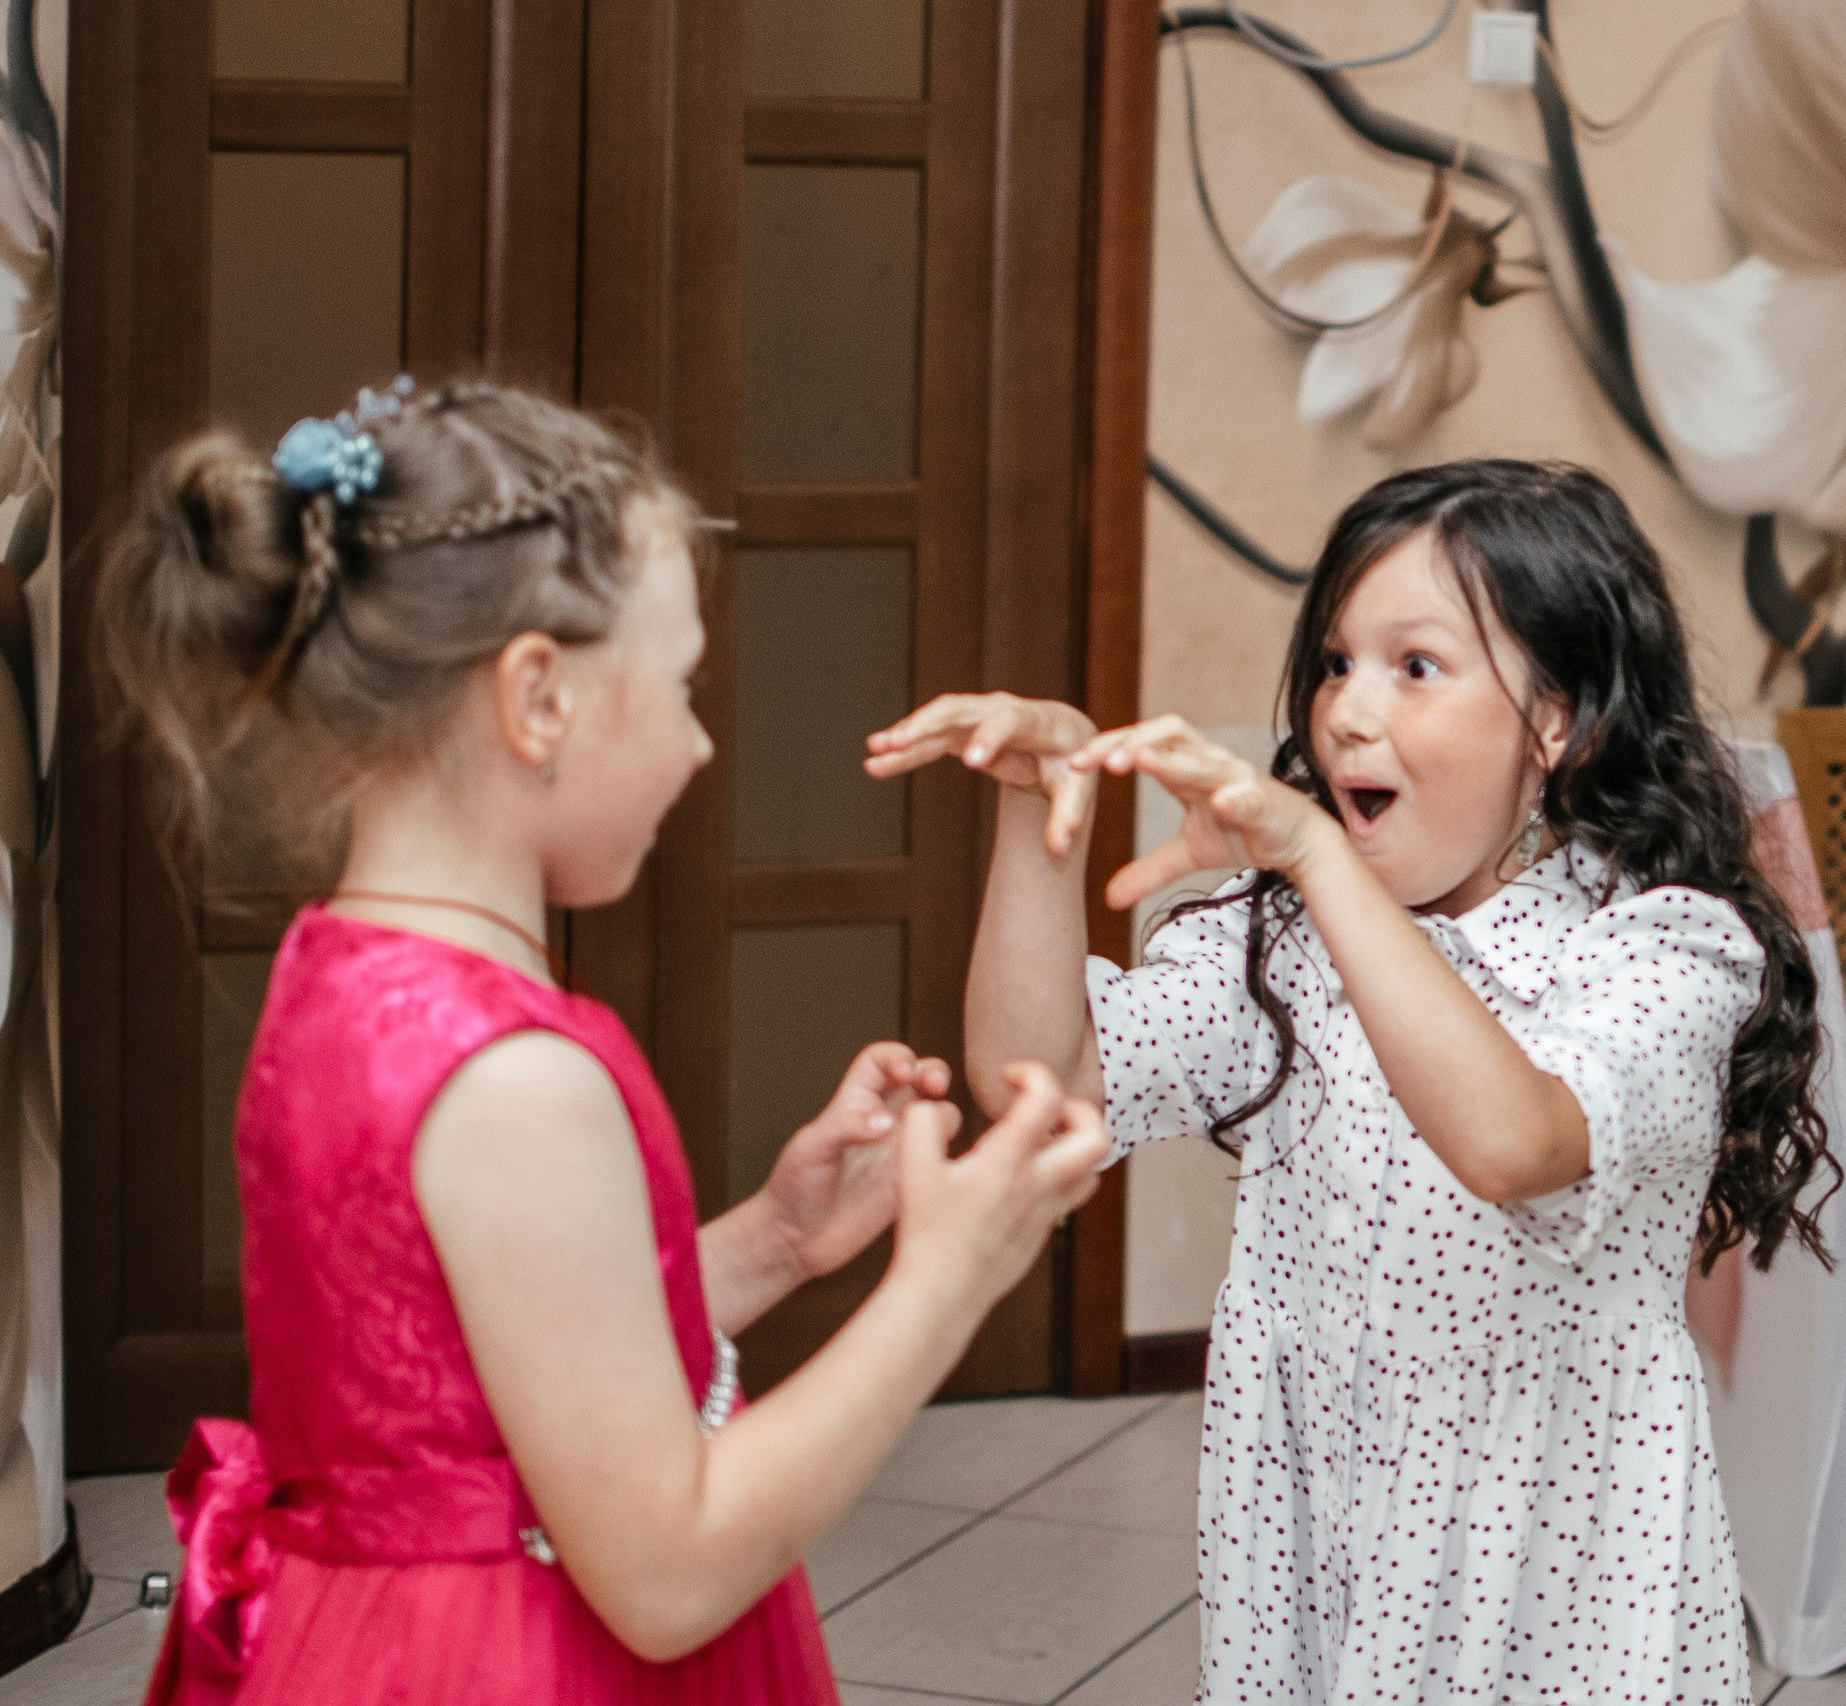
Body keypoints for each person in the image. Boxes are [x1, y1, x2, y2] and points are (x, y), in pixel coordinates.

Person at [98, 381, 1108, 1705]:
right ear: (538, 697)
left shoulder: (338, 970)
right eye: (679, 687)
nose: (698, 746)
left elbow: (486, 1359)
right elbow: (666, 1570)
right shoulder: (513, 1078)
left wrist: (775, 1241)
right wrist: (948, 1278)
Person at [868, 459, 1833, 1704]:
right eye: (1334, 662)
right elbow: (1041, 1085)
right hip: (1318, 1523)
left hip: (1549, 1557)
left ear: (1557, 721)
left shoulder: (1661, 947)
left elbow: (1513, 1140)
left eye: (1414, 665)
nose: (1346, 714)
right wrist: (1036, 814)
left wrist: (1318, 860)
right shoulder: (1287, 932)